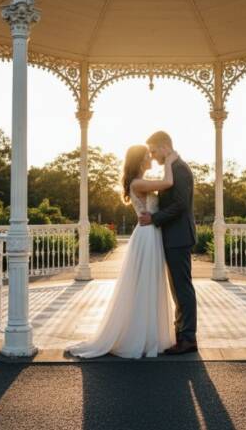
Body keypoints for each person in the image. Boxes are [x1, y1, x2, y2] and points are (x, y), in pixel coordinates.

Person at [67, 144, 178, 359]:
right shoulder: (138, 183)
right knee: (144, 283)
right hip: (146, 235)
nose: (151, 159)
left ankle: (148, 334)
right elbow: (168, 182)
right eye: (147, 156)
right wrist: (171, 162)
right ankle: (138, 336)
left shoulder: (139, 182)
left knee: (150, 283)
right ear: (139, 161)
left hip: (150, 233)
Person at [139, 131, 198, 355]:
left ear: (165, 146)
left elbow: (181, 205)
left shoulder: (179, 169)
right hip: (174, 236)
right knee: (178, 289)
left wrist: (154, 219)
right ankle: (181, 334)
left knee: (182, 289)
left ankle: (188, 338)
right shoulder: (172, 168)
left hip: (179, 237)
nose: (152, 156)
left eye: (154, 151)